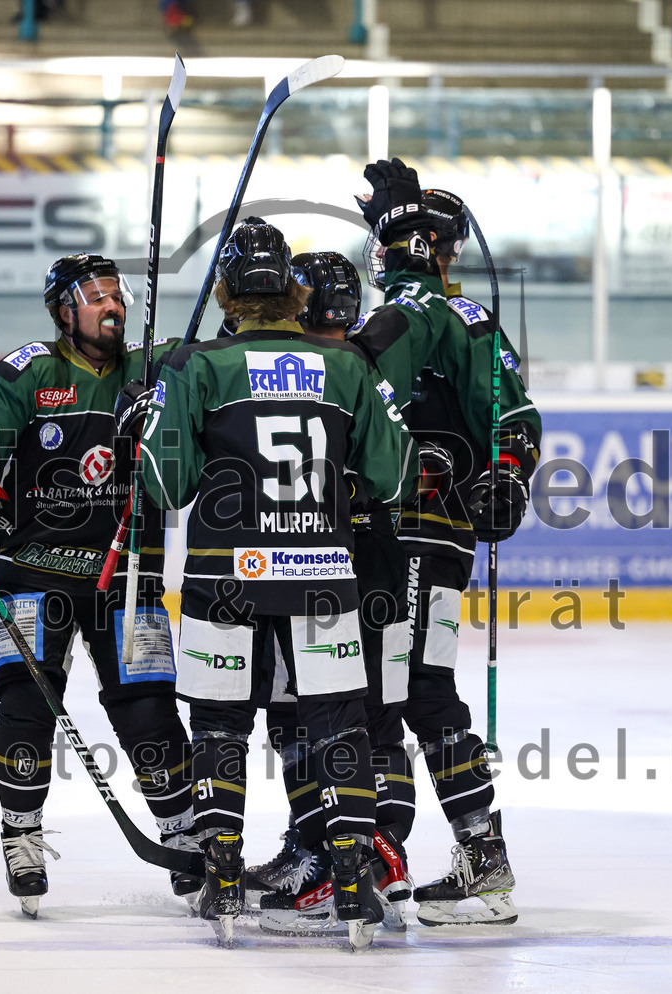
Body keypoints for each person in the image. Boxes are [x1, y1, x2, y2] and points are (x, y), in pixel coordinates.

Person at [137, 219, 419, 949]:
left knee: (222, 727)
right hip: (323, 576)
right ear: (295, 293)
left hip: (223, 579)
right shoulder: (349, 368)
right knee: (336, 728)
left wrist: (153, 424)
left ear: (228, 293)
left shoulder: (196, 366)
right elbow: (394, 476)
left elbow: (165, 485)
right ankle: (353, 880)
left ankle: (223, 877)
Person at [0, 253, 198, 918]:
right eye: (95, 297)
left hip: (128, 575)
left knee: (149, 714)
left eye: (116, 295)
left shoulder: (155, 369)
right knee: (25, 707)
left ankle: (183, 833)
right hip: (31, 570)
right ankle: (21, 834)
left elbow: (226, 355)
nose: (111, 306)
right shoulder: (30, 371)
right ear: (64, 312)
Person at [347, 158, 542, 927]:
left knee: (417, 688)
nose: (384, 255)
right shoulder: (410, 312)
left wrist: (507, 474)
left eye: (394, 241)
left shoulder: (448, 316)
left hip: (426, 528)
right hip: (378, 533)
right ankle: (376, 851)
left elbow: (514, 418)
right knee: (374, 692)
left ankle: (480, 857)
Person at [244, 251, 417, 936]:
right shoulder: (360, 369)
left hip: (332, 567)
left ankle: (329, 856)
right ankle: (378, 858)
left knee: (306, 714)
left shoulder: (328, 375)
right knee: (376, 720)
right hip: (383, 563)